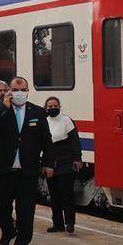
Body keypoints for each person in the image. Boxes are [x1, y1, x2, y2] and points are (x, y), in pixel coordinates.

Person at [0, 76, 54, 245]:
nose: (19, 93)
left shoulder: (38, 112)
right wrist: (4, 108)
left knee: (26, 212)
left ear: (28, 90)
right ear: (9, 91)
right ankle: (8, 232)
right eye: (15, 90)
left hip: (27, 172)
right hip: (3, 170)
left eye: (23, 90)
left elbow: (46, 140)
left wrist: (49, 163)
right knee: (1, 208)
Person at [43, 96, 83, 234]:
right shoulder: (44, 122)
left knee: (67, 192)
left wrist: (78, 158)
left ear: (59, 107)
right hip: (50, 161)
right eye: (50, 106)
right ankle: (57, 223)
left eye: (55, 106)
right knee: (54, 194)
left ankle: (70, 222)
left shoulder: (66, 120)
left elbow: (75, 141)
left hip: (66, 160)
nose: (53, 108)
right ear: (46, 108)